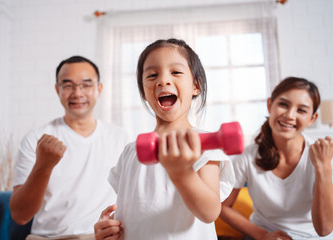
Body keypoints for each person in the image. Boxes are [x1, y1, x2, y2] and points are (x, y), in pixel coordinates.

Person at [94, 39, 235, 240]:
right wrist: (107, 230)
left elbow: (209, 212)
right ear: (143, 91)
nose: (163, 81)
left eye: (175, 72)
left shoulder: (204, 144)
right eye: (152, 75)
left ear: (196, 86)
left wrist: (181, 173)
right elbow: (136, 213)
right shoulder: (130, 152)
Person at [10, 56, 130, 239]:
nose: (77, 93)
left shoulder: (121, 138)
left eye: (86, 85)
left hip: (101, 236)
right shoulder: (36, 138)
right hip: (49, 237)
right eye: (68, 85)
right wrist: (44, 165)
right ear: (57, 90)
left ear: (99, 89)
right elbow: (20, 215)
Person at [219, 77, 333, 240]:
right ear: (270, 104)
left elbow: (325, 228)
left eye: (302, 110)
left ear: (312, 118)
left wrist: (322, 167)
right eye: (283, 104)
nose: (290, 116)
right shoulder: (247, 156)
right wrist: (262, 234)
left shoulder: (328, 156)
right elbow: (222, 206)